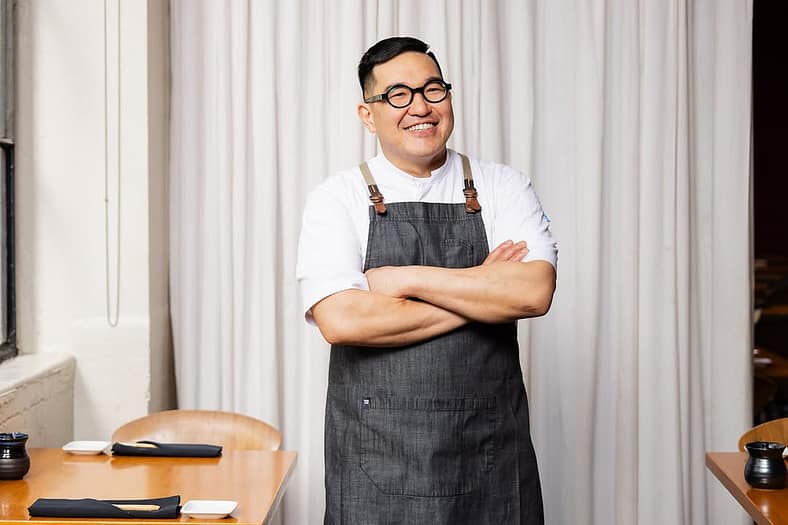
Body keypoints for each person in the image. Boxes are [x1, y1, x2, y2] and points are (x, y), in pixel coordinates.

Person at [296, 36, 557, 525]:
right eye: (398, 95)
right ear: (367, 114)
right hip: (374, 463)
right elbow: (343, 320)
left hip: (490, 456)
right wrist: (481, 287)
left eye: (432, 89)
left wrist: (404, 278)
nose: (420, 107)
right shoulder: (337, 197)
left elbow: (532, 292)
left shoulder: (503, 185)